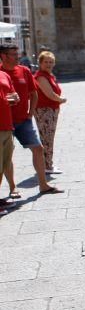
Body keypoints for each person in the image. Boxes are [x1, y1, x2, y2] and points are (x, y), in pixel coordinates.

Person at [0, 44, 61, 196]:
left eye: (17, 53)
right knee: (8, 156)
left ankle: (43, 184)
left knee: (38, 148)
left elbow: (34, 93)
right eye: (13, 54)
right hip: (4, 122)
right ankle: (13, 187)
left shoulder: (24, 71)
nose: (17, 56)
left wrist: (30, 112)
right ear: (4, 56)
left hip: (23, 120)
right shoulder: (0, 73)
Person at [33, 51, 67, 176]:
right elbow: (49, 94)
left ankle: (47, 163)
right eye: (46, 62)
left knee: (48, 137)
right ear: (40, 63)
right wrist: (61, 99)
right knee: (47, 138)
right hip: (45, 110)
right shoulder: (41, 77)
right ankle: (47, 165)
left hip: (50, 110)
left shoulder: (49, 75)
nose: (49, 64)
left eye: (51, 62)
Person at [0, 66, 16, 217]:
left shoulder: (4, 75)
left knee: (5, 164)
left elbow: (12, 93)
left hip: (6, 125)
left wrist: (15, 97)